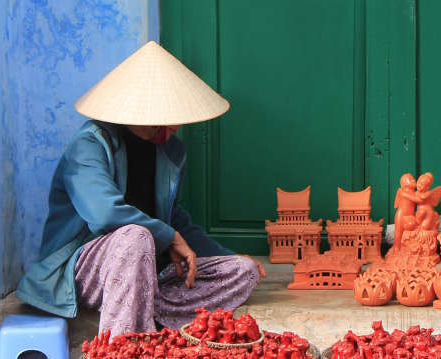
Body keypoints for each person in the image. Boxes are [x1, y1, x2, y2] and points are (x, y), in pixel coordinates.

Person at [16, 41, 266, 337]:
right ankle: (122, 347)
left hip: (147, 272)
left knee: (243, 271)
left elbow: (175, 220)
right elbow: (104, 214)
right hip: (85, 268)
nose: (177, 125)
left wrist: (228, 254)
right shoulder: (89, 145)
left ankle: (144, 308)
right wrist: (167, 235)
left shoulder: (171, 151)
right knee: (135, 237)